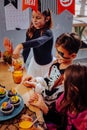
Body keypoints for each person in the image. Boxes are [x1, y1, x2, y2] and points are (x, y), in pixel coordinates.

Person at [22, 32, 82, 108]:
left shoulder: (68, 76)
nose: (57, 55)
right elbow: (47, 79)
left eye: (61, 53)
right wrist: (35, 80)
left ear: (73, 56)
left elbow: (51, 96)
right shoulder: (56, 62)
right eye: (57, 51)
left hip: (50, 107)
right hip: (42, 96)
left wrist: (36, 86)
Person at [29, 64, 87, 130]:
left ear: (73, 89)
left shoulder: (84, 121)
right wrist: (42, 105)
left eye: (64, 80)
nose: (62, 83)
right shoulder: (66, 97)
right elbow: (60, 120)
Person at [12, 9, 54, 77]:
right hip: (35, 63)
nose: (34, 20)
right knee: (30, 83)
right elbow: (26, 50)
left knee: (45, 85)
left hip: (48, 66)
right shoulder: (30, 31)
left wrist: (20, 46)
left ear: (47, 19)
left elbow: (38, 42)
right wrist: (22, 62)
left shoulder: (48, 32)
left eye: (38, 17)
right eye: (33, 17)